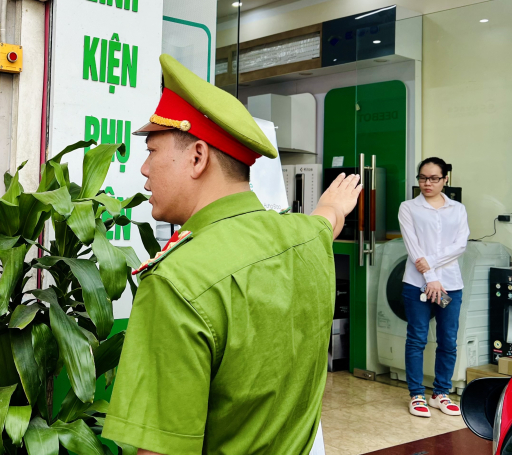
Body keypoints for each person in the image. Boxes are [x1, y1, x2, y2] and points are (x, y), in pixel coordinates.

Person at [101, 55, 362, 455]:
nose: (143, 168)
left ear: (198, 157)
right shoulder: (307, 239)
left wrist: (330, 211)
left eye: (152, 150)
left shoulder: (178, 283)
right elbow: (327, 221)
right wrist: (334, 205)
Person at [398, 157, 469, 418]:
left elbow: (460, 245)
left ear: (445, 179)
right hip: (417, 283)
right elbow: (413, 247)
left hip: (451, 284)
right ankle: (417, 395)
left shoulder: (458, 209)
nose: (427, 183)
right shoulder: (408, 208)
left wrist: (432, 266)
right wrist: (430, 277)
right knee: (416, 338)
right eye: (422, 178)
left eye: (433, 178)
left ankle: (441, 393)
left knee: (448, 341)